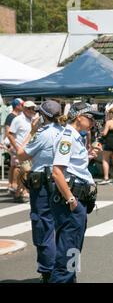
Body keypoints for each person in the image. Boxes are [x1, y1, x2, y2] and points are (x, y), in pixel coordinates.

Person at [50, 102, 104, 283]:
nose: (93, 122)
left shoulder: (76, 137)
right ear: (78, 117)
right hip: (71, 202)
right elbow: (57, 172)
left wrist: (88, 156)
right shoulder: (67, 137)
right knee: (68, 252)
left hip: (77, 201)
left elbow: (72, 167)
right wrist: (72, 200)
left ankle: (69, 279)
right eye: (90, 118)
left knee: (73, 251)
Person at [16, 100, 65, 283]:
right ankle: (69, 270)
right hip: (65, 185)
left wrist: (32, 132)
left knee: (43, 227)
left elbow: (21, 154)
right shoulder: (67, 132)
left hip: (44, 186)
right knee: (66, 229)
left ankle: (47, 272)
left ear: (42, 116)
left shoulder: (42, 134)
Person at [8, 100, 37, 202]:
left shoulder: (34, 119)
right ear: (24, 109)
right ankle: (21, 192)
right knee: (25, 171)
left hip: (32, 150)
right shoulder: (18, 119)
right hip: (21, 150)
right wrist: (16, 148)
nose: (31, 110)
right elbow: (10, 134)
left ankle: (19, 192)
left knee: (26, 172)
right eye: (28, 108)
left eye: (32, 108)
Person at [5, 98, 24, 195]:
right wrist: (12, 145)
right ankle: (13, 184)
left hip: (16, 144)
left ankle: (11, 184)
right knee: (16, 165)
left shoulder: (18, 116)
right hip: (14, 144)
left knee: (13, 165)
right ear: (17, 106)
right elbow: (8, 132)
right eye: (22, 104)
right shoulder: (11, 116)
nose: (23, 106)